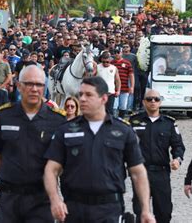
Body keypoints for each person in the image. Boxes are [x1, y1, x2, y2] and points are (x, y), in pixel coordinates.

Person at [44, 76, 155, 223]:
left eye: (89, 95)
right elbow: (51, 169)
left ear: (103, 98)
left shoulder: (123, 131)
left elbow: (138, 173)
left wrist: (146, 210)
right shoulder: (66, 131)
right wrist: (55, 200)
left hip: (109, 209)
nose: (82, 99)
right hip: (74, 209)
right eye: (80, 94)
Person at [0, 65, 66, 222]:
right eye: (29, 84)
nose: (34, 89)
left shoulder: (57, 120)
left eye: (39, 84)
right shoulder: (4, 116)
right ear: (19, 86)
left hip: (41, 198)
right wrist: (11, 174)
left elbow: (60, 161)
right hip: (9, 197)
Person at [129, 89, 185, 223]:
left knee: (164, 213)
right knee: (141, 212)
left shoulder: (169, 123)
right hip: (141, 173)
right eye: (149, 99)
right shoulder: (134, 121)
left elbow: (178, 146)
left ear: (160, 102)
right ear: (143, 102)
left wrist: (177, 159)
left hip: (161, 173)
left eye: (156, 99)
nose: (153, 101)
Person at [111, 49, 134, 118]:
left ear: (121, 53)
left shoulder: (127, 63)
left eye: (118, 52)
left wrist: (132, 87)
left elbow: (131, 75)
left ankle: (121, 120)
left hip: (125, 88)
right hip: (114, 88)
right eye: (115, 52)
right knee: (114, 106)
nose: (116, 54)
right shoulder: (111, 63)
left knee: (123, 106)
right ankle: (114, 120)